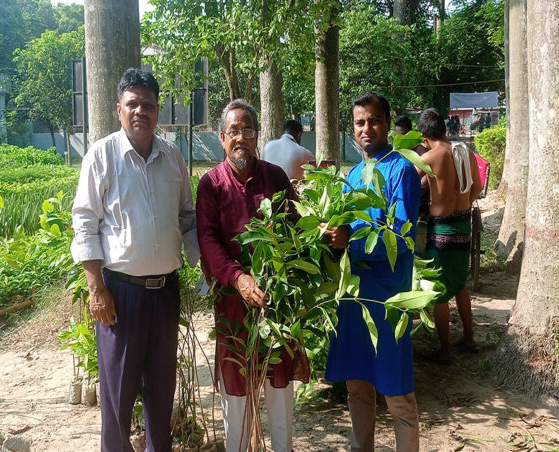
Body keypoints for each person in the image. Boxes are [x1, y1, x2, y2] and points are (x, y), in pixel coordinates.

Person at [70, 67, 199, 452]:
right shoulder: (102, 155)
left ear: (159, 111)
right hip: (120, 297)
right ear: (119, 109)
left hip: (165, 295)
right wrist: (97, 289)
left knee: (162, 390)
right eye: (133, 104)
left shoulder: (172, 157)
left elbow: (187, 219)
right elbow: (84, 222)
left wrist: (204, 270)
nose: (140, 110)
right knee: (118, 397)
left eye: (148, 104)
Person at [196, 99, 308, 452]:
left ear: (257, 135)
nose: (240, 138)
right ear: (221, 137)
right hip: (233, 304)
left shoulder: (274, 176)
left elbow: (296, 227)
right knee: (237, 389)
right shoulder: (211, 184)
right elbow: (208, 241)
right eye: (233, 131)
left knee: (279, 385)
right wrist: (238, 277)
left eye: (247, 130)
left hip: (276, 303)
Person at [324, 93, 421, 452]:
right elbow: (342, 230)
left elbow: (401, 237)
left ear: (387, 123)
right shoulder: (351, 174)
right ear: (353, 128)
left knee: (397, 392)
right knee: (357, 385)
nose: (367, 128)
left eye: (374, 120)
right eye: (360, 122)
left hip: (388, 297)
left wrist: (351, 240)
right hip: (353, 298)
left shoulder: (401, 170)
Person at [416, 108, 483, 364]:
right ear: (443, 129)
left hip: (441, 229)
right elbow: (476, 187)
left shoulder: (431, 156)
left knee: (438, 293)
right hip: (463, 226)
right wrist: (463, 205)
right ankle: (469, 337)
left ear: (424, 136)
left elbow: (406, 182)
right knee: (459, 284)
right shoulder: (465, 153)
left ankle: (444, 351)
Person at [393, 115, 431, 255]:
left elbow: (426, 181)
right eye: (397, 136)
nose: (400, 140)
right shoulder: (397, 152)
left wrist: (407, 191)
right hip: (401, 209)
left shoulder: (422, 153)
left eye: (403, 136)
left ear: (410, 134)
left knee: (418, 253)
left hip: (419, 210)